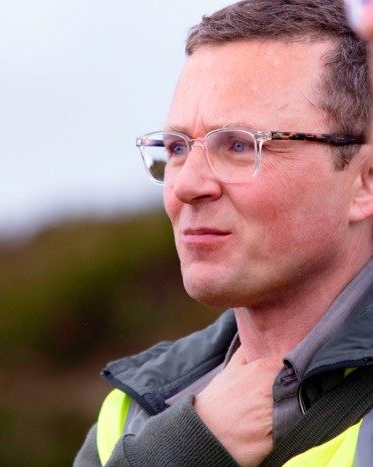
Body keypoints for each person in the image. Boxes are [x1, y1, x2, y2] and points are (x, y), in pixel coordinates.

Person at [73, 0, 373, 465]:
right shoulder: (134, 413)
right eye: (175, 148)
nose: (187, 185)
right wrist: (179, 449)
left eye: (238, 145)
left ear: (364, 182)